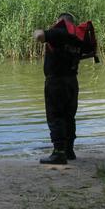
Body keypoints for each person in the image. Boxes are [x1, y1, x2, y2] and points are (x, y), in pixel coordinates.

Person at [33, 13, 82, 165]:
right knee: (69, 116)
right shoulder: (77, 38)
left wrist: (37, 31)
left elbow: (40, 36)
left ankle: (58, 153)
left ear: (60, 21)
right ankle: (69, 151)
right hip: (72, 82)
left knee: (56, 116)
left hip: (56, 82)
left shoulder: (59, 32)